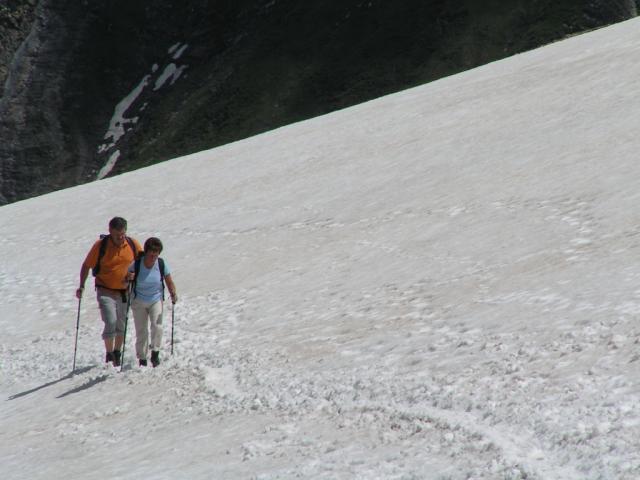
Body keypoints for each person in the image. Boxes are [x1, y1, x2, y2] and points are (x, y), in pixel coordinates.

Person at [76, 217, 143, 366]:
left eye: (123, 234)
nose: (121, 237)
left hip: (125, 291)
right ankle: (109, 352)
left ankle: (117, 352)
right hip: (105, 289)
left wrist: (135, 274)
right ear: (110, 231)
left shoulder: (132, 244)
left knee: (121, 323)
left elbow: (143, 262)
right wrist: (81, 285)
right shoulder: (101, 246)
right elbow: (86, 265)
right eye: (117, 234)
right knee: (110, 320)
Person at [128, 237, 178, 367]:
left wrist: (173, 292)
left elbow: (169, 280)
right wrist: (129, 278)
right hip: (138, 301)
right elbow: (125, 281)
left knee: (157, 326)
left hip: (155, 299)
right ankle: (142, 358)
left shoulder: (161, 264)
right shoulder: (137, 264)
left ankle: (155, 352)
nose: (153, 258)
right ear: (146, 252)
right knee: (141, 330)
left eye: (156, 255)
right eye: (151, 255)